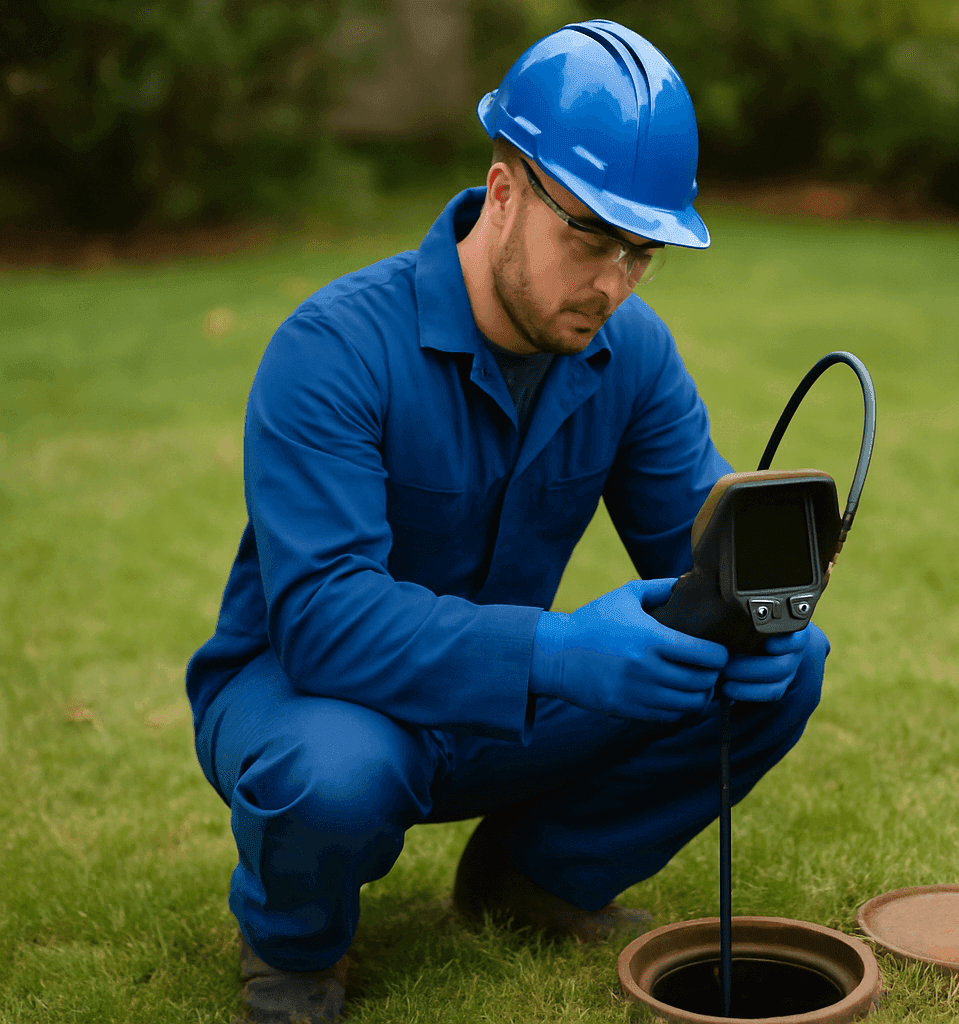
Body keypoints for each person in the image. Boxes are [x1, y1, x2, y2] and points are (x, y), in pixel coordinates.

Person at [185, 20, 830, 1024]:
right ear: (502, 194)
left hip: (500, 704)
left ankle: (534, 881)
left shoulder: (632, 353)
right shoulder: (334, 348)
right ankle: (297, 949)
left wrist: (747, 610)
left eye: (642, 252)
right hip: (311, 697)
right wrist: (561, 651)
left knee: (790, 665)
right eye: (590, 237)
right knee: (333, 775)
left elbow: (692, 558)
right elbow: (322, 621)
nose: (614, 281)